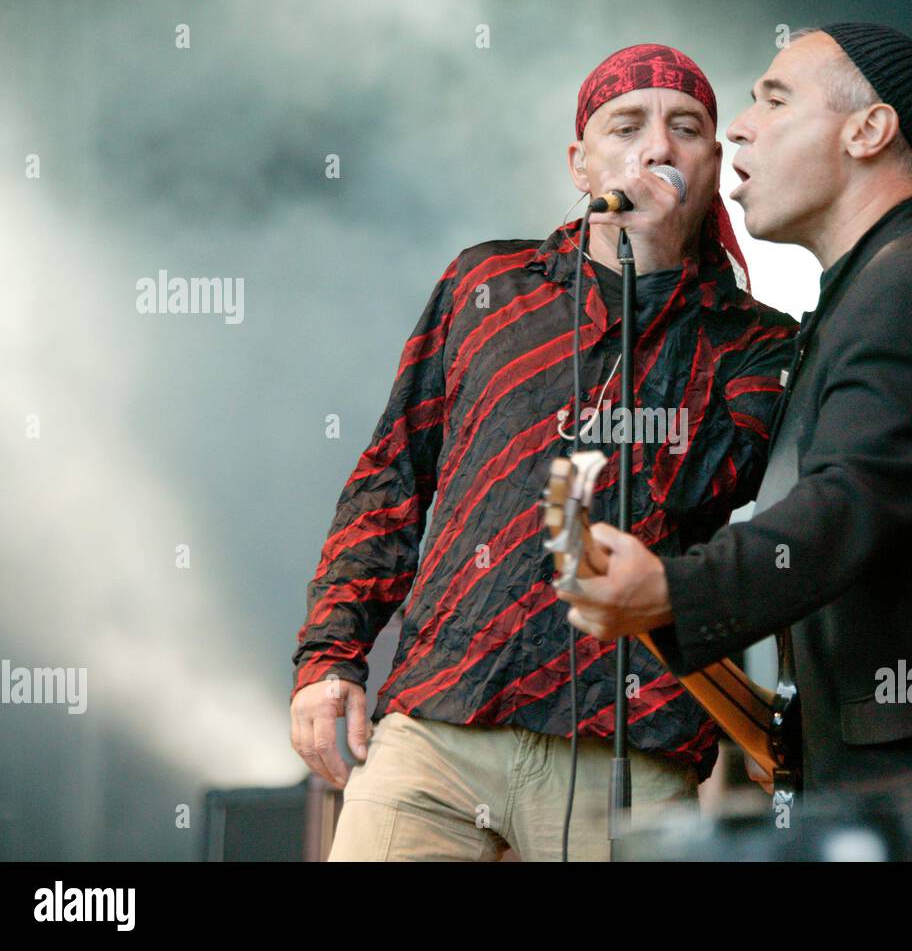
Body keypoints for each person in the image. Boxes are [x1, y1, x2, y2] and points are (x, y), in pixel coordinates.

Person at [557, 23, 912, 861]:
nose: (739, 129)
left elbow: (845, 507)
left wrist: (674, 594)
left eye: (774, 98)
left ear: (869, 131)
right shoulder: (863, 298)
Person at [289, 43, 798, 861]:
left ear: (714, 163)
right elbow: (391, 477)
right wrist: (329, 657)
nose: (657, 147)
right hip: (438, 725)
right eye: (626, 126)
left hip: (627, 743)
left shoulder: (759, 347)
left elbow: (760, 526)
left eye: (687, 128)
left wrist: (654, 285)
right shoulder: (485, 287)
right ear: (580, 160)